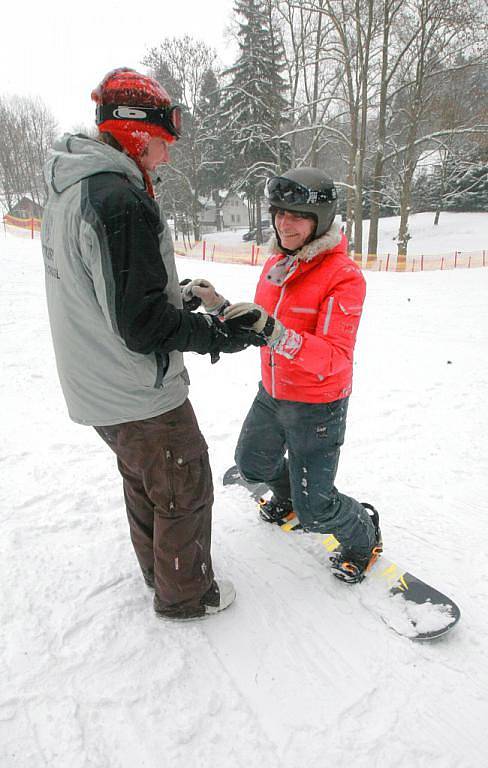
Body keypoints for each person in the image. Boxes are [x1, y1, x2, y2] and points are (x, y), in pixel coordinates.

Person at [40, 67, 261, 620]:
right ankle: (186, 594)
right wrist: (217, 334)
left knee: (146, 480)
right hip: (137, 392)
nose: (167, 156)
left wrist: (173, 296)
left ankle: (158, 570)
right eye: (164, 144)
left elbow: (108, 290)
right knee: (184, 484)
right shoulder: (120, 201)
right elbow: (140, 327)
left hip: (97, 385)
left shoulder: (75, 191)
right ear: (137, 136)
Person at [222, 167, 382, 583]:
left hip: (318, 405)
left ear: (320, 220)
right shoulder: (278, 261)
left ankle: (363, 536)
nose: (283, 223)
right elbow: (261, 323)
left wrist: (272, 331)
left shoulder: (343, 277)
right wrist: (216, 304)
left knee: (318, 510)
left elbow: (334, 358)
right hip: (273, 394)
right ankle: (288, 494)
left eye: (296, 215)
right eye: (279, 212)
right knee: (251, 466)